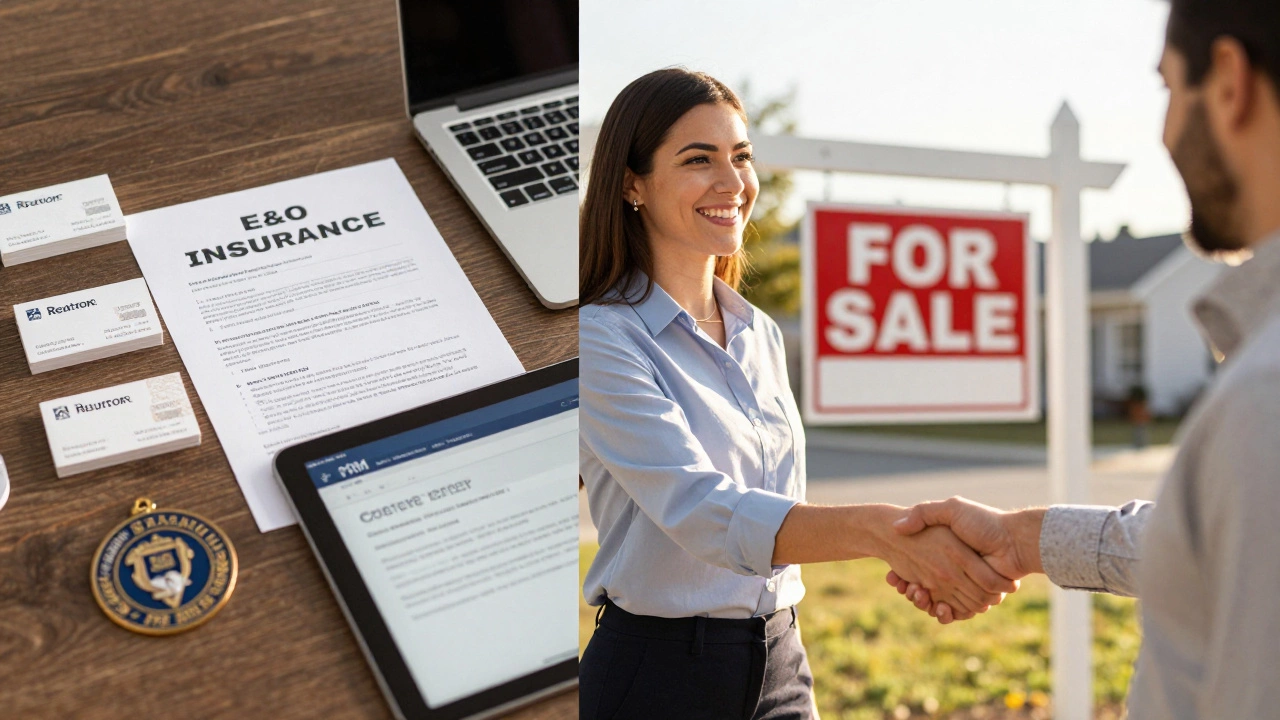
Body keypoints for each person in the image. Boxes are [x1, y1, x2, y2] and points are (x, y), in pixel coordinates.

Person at [577, 68, 1017, 720]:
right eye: (698, 159)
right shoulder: (599, 338)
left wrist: (912, 547)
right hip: (658, 675)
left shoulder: (760, 333)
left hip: (781, 657)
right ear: (630, 184)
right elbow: (703, 510)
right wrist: (885, 533)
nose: (733, 182)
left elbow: (775, 508)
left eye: (741, 156)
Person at [886, 1, 1280, 716]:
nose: (1165, 130)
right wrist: (1023, 539)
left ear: (1229, 82)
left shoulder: (1265, 393)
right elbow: (1229, 548)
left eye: (1168, 87)